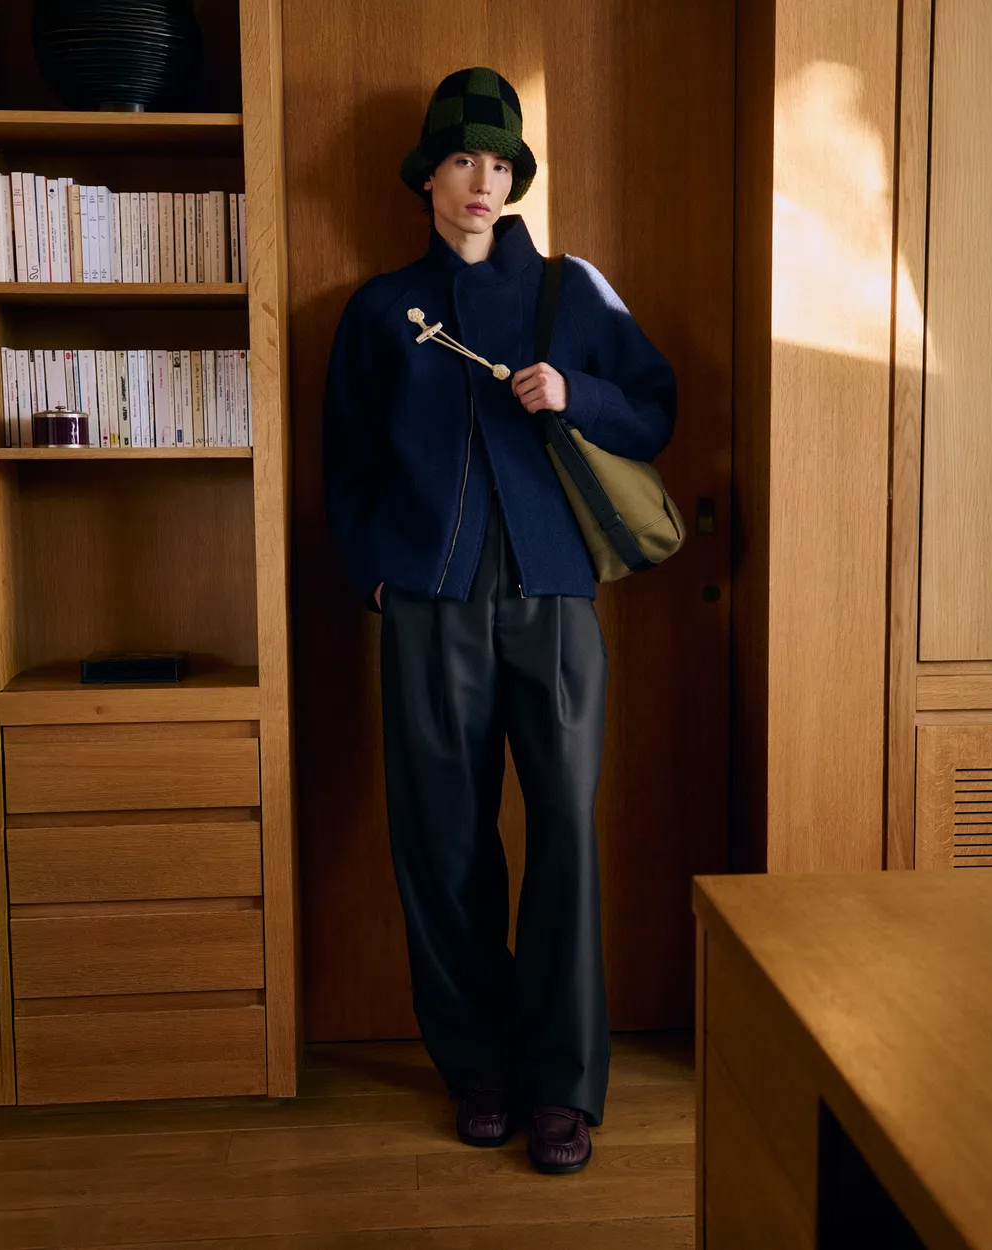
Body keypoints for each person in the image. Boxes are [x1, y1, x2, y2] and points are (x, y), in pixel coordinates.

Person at [322, 67, 676, 1175]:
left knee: (564, 830)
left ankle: (564, 1088)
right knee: (442, 839)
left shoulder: (574, 291)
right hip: (427, 603)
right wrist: (377, 580)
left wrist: (577, 393)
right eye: (462, 159)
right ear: (427, 175)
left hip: (553, 596)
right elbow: (344, 465)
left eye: (500, 162)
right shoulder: (378, 311)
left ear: (516, 178)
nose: (482, 180)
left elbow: (656, 407)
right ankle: (477, 1066)